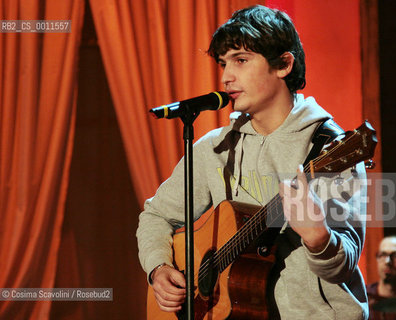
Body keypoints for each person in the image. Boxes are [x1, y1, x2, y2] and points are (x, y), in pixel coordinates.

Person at [137, 5, 369, 319]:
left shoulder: (329, 149)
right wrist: (158, 267)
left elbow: (343, 265)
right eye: (222, 63)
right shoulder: (214, 148)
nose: (226, 77)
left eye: (241, 60)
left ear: (284, 64)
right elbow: (156, 216)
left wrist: (319, 239)